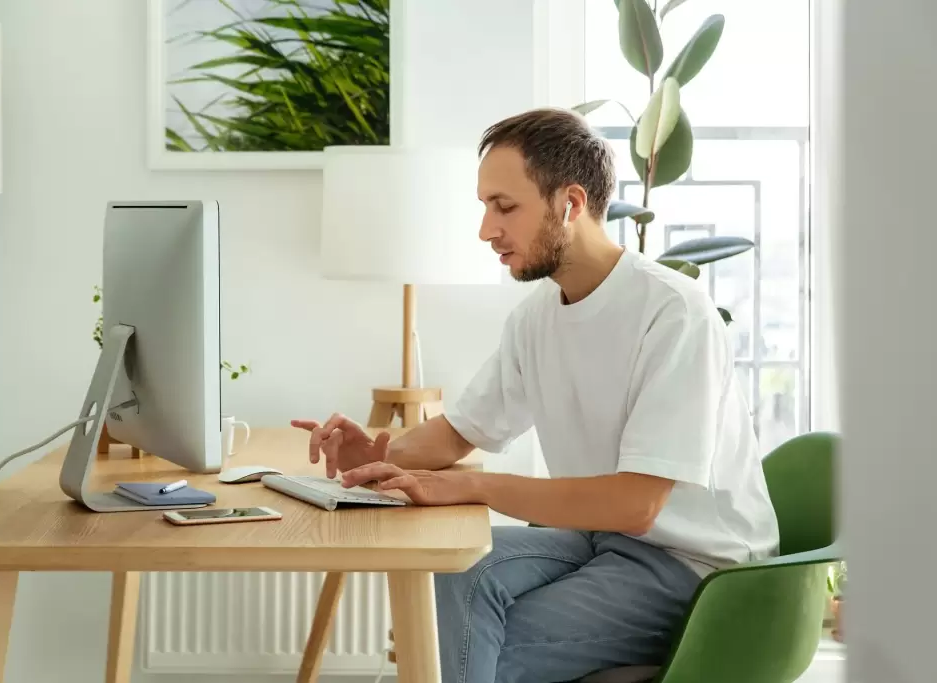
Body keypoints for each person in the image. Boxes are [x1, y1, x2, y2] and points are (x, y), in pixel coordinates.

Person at [293, 108, 780, 683]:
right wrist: (376, 459)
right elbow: (461, 430)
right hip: (600, 544)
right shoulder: (535, 319)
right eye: (484, 207)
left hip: (696, 570)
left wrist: (470, 485)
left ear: (570, 204)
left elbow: (636, 506)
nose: (486, 230)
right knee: (451, 577)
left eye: (505, 207)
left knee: (469, 647)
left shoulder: (673, 313)